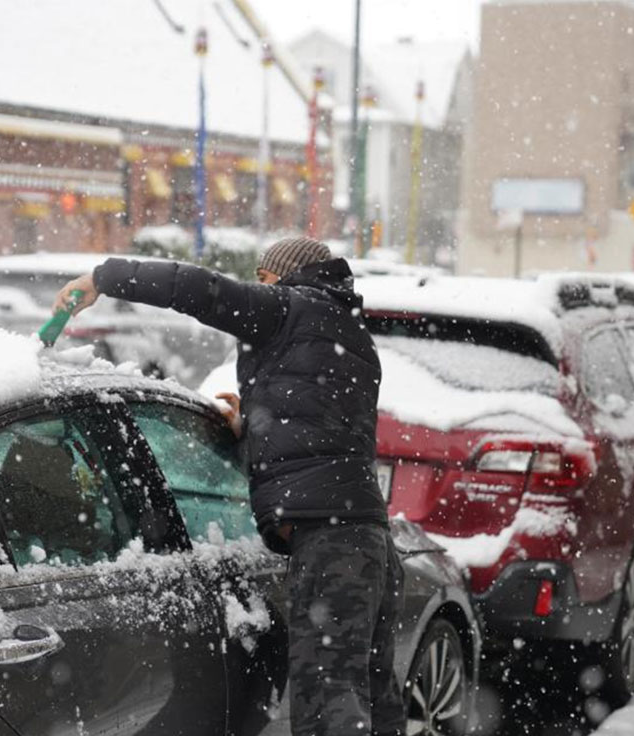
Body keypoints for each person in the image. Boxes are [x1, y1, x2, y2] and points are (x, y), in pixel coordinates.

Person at [52, 237, 405, 736]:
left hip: (331, 543)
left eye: (263, 278)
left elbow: (193, 287)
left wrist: (102, 278)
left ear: (279, 277)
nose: (259, 288)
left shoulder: (287, 307)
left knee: (326, 705)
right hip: (368, 541)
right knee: (373, 696)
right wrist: (252, 435)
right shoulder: (350, 333)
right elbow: (320, 436)